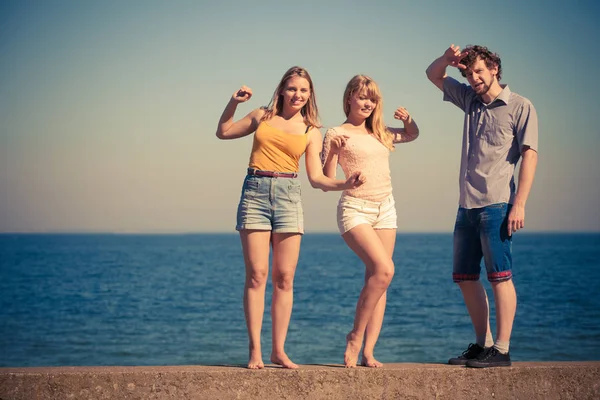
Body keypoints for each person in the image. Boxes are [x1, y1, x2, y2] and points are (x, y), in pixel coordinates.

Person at [216, 66, 365, 370]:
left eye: (304, 90)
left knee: (284, 278)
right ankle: (255, 352)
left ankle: (278, 351)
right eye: (293, 88)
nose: (298, 95)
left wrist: (344, 184)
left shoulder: (312, 130)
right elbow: (224, 132)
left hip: (289, 196)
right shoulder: (262, 116)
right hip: (255, 191)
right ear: (282, 90)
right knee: (257, 275)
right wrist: (234, 103)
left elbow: (317, 178)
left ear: (310, 95)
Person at [426, 45, 539, 368]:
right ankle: (482, 344)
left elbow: (530, 155)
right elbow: (432, 74)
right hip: (467, 206)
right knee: (464, 277)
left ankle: (501, 350)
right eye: (468, 73)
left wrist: (520, 204)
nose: (473, 78)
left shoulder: (520, 106)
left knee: (500, 276)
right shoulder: (470, 101)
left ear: (494, 69)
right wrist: (448, 60)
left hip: (498, 204)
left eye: (479, 71)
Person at [321, 75, 419, 368]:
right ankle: (354, 336)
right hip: (355, 209)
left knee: (379, 279)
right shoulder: (336, 133)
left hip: (385, 209)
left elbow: (412, 134)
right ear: (350, 97)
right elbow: (326, 179)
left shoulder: (381, 132)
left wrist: (409, 118)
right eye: (362, 97)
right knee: (384, 269)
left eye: (372, 99)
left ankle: (368, 351)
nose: (367, 103)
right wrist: (336, 152)